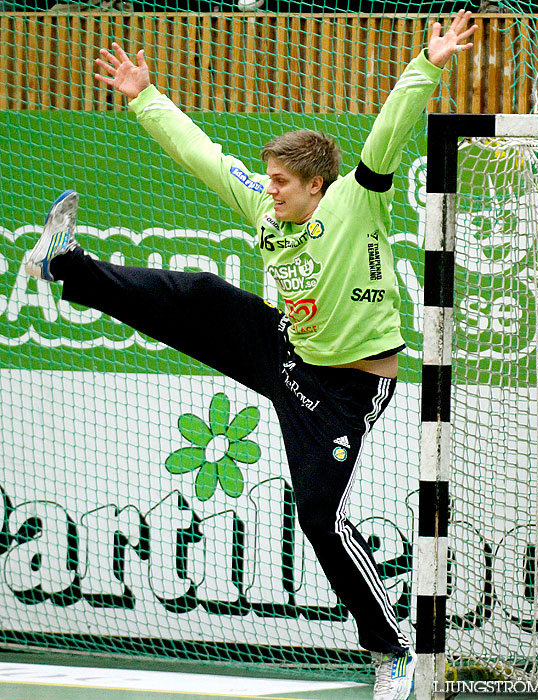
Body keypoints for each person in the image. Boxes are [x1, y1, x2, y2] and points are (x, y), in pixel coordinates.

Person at [25, 11, 476, 699]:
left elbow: (388, 129)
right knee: (199, 293)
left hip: (347, 391)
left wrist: (428, 62)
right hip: (287, 352)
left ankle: (389, 650)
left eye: (281, 182)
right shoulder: (267, 213)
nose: (268, 189)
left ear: (317, 185)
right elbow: (203, 155)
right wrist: (145, 95)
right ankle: (66, 265)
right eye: (266, 179)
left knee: (321, 519)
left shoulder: (358, 199)